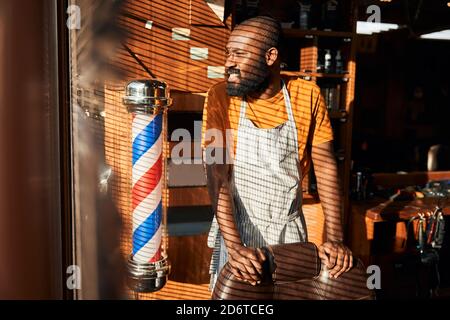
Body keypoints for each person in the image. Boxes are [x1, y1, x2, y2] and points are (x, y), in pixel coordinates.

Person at [201, 15, 353, 290]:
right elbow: (216, 173)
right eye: (227, 53)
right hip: (238, 230)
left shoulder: (306, 95)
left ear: (270, 56)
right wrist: (235, 247)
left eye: (239, 54)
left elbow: (326, 166)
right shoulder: (220, 96)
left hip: (290, 233)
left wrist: (335, 238)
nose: (228, 63)